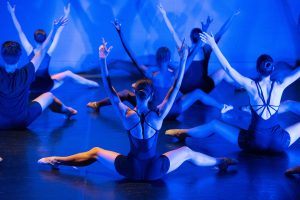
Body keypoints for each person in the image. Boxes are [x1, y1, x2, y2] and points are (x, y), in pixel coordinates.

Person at [38, 38, 237, 181]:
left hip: (130, 169)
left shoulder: (127, 114)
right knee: (186, 152)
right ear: (151, 95)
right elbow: (176, 86)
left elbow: (108, 86)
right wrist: (184, 58)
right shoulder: (159, 114)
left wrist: (103, 59)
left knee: (96, 152)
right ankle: (220, 162)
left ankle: (57, 160)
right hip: (155, 170)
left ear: (136, 92)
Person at [166, 32, 300, 153]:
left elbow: (227, 68)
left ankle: (184, 133)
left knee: (214, 125)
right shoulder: (280, 86)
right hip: (278, 142)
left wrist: (213, 44)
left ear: (257, 69)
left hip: (253, 141)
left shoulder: (250, 85)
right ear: (273, 69)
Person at [87, 20, 233, 118]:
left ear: (157, 59)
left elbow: (131, 54)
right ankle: (222, 107)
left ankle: (97, 104)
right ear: (169, 60)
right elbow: (193, 53)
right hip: (173, 110)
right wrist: (204, 31)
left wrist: (120, 33)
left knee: (125, 93)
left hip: (154, 111)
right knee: (197, 93)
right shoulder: (175, 73)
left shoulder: (151, 73)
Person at [7, 2, 98, 117]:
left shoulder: (30, 50)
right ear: (46, 39)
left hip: (31, 88)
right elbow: (57, 34)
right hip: (47, 86)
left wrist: (12, 14)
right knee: (68, 73)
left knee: (19, 78)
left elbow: (19, 31)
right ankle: (94, 84)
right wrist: (65, 16)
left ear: (34, 39)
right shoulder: (48, 52)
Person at [0, 17, 70, 130]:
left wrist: (12, 14)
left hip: (1, 123)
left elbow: (21, 32)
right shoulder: (26, 72)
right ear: (19, 57)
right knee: (49, 96)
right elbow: (43, 51)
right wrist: (54, 29)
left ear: (2, 57)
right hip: (22, 121)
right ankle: (68, 111)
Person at [158, 3, 240, 94]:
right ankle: (240, 86)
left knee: (173, 67)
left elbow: (173, 33)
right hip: (203, 88)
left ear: (190, 37)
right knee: (222, 72)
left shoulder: (185, 50)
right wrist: (232, 16)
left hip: (185, 88)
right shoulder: (206, 49)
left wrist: (164, 15)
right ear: (202, 37)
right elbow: (221, 32)